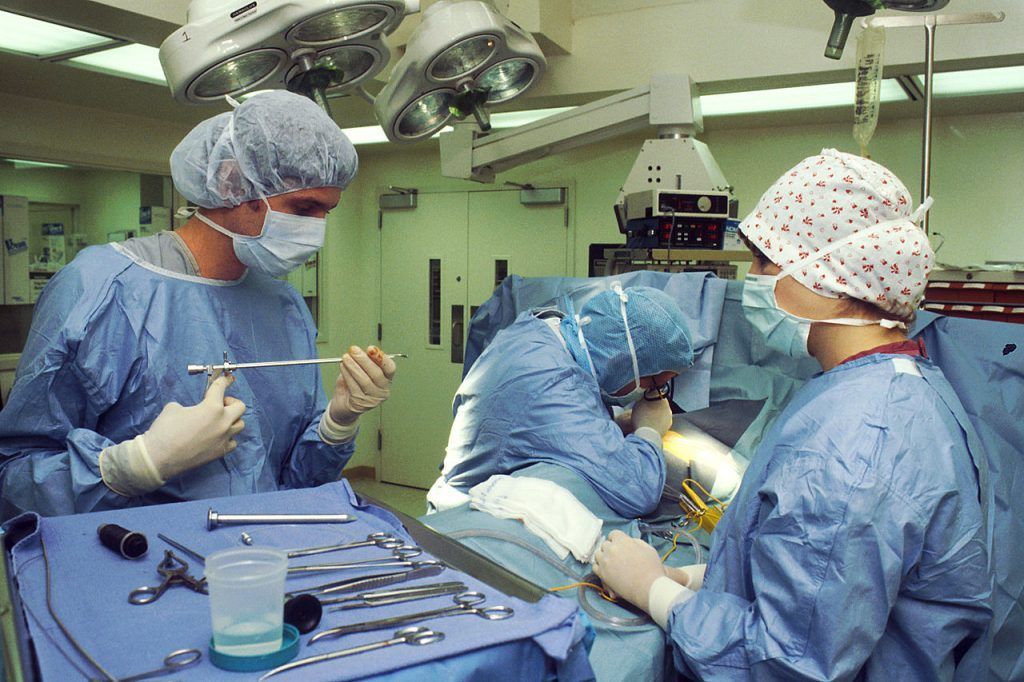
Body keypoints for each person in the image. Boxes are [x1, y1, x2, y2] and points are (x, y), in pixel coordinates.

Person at [592, 149, 993, 679]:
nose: (752, 279)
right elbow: (826, 581)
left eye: (765, 262)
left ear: (829, 275)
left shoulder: (855, 440)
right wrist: (699, 580)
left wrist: (654, 591)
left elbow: (788, 661)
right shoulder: (896, 384)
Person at [0, 91, 395, 519]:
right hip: (132, 560)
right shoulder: (101, 288)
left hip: (261, 553)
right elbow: (17, 475)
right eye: (303, 208)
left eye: (326, 213)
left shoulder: (283, 303)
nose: (316, 231)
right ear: (231, 182)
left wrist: (337, 421)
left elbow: (288, 482)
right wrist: (137, 464)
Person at [427, 282, 694, 519]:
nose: (654, 393)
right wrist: (650, 430)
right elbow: (637, 491)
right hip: (467, 524)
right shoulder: (555, 385)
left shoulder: (543, 331)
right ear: (627, 362)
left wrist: (609, 424)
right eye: (656, 384)